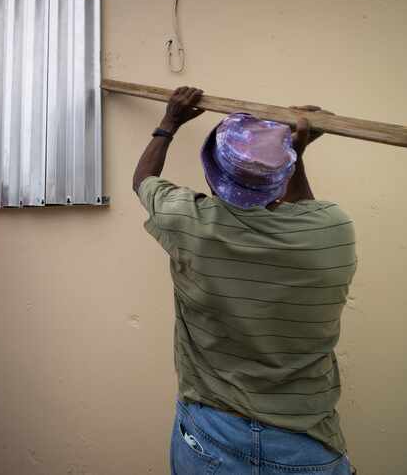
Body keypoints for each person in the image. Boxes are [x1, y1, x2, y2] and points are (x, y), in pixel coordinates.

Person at [133, 87, 357, 474]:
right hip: (305, 445)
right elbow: (306, 213)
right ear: (282, 177)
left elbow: (143, 180)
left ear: (216, 173)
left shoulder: (189, 221)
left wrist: (170, 121)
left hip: (211, 435)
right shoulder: (333, 230)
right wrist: (294, 154)